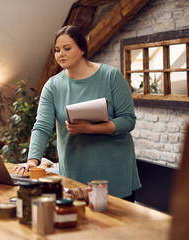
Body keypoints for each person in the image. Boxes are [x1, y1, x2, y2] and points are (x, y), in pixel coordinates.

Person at [13, 25, 141, 200]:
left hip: (115, 170)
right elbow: (42, 126)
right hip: (75, 172)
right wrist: (32, 160)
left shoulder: (111, 76)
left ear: (82, 49)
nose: (60, 54)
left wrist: (90, 128)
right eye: (57, 50)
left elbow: (128, 120)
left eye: (67, 48)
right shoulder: (52, 86)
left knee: (118, 226)